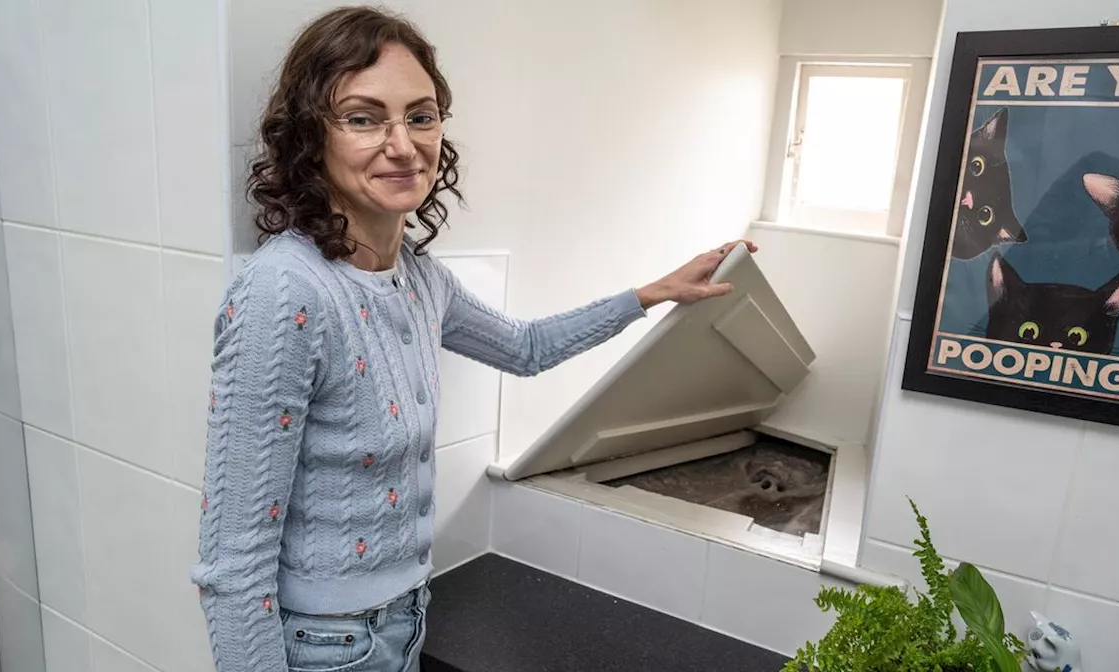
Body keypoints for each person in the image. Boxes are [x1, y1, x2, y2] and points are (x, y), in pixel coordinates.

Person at [190, 6, 756, 672]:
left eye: (421, 116)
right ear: (311, 140)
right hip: (324, 644)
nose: (403, 144)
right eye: (364, 118)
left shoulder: (423, 281)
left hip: (404, 619)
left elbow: (525, 348)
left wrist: (648, 295)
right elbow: (234, 559)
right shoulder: (285, 293)